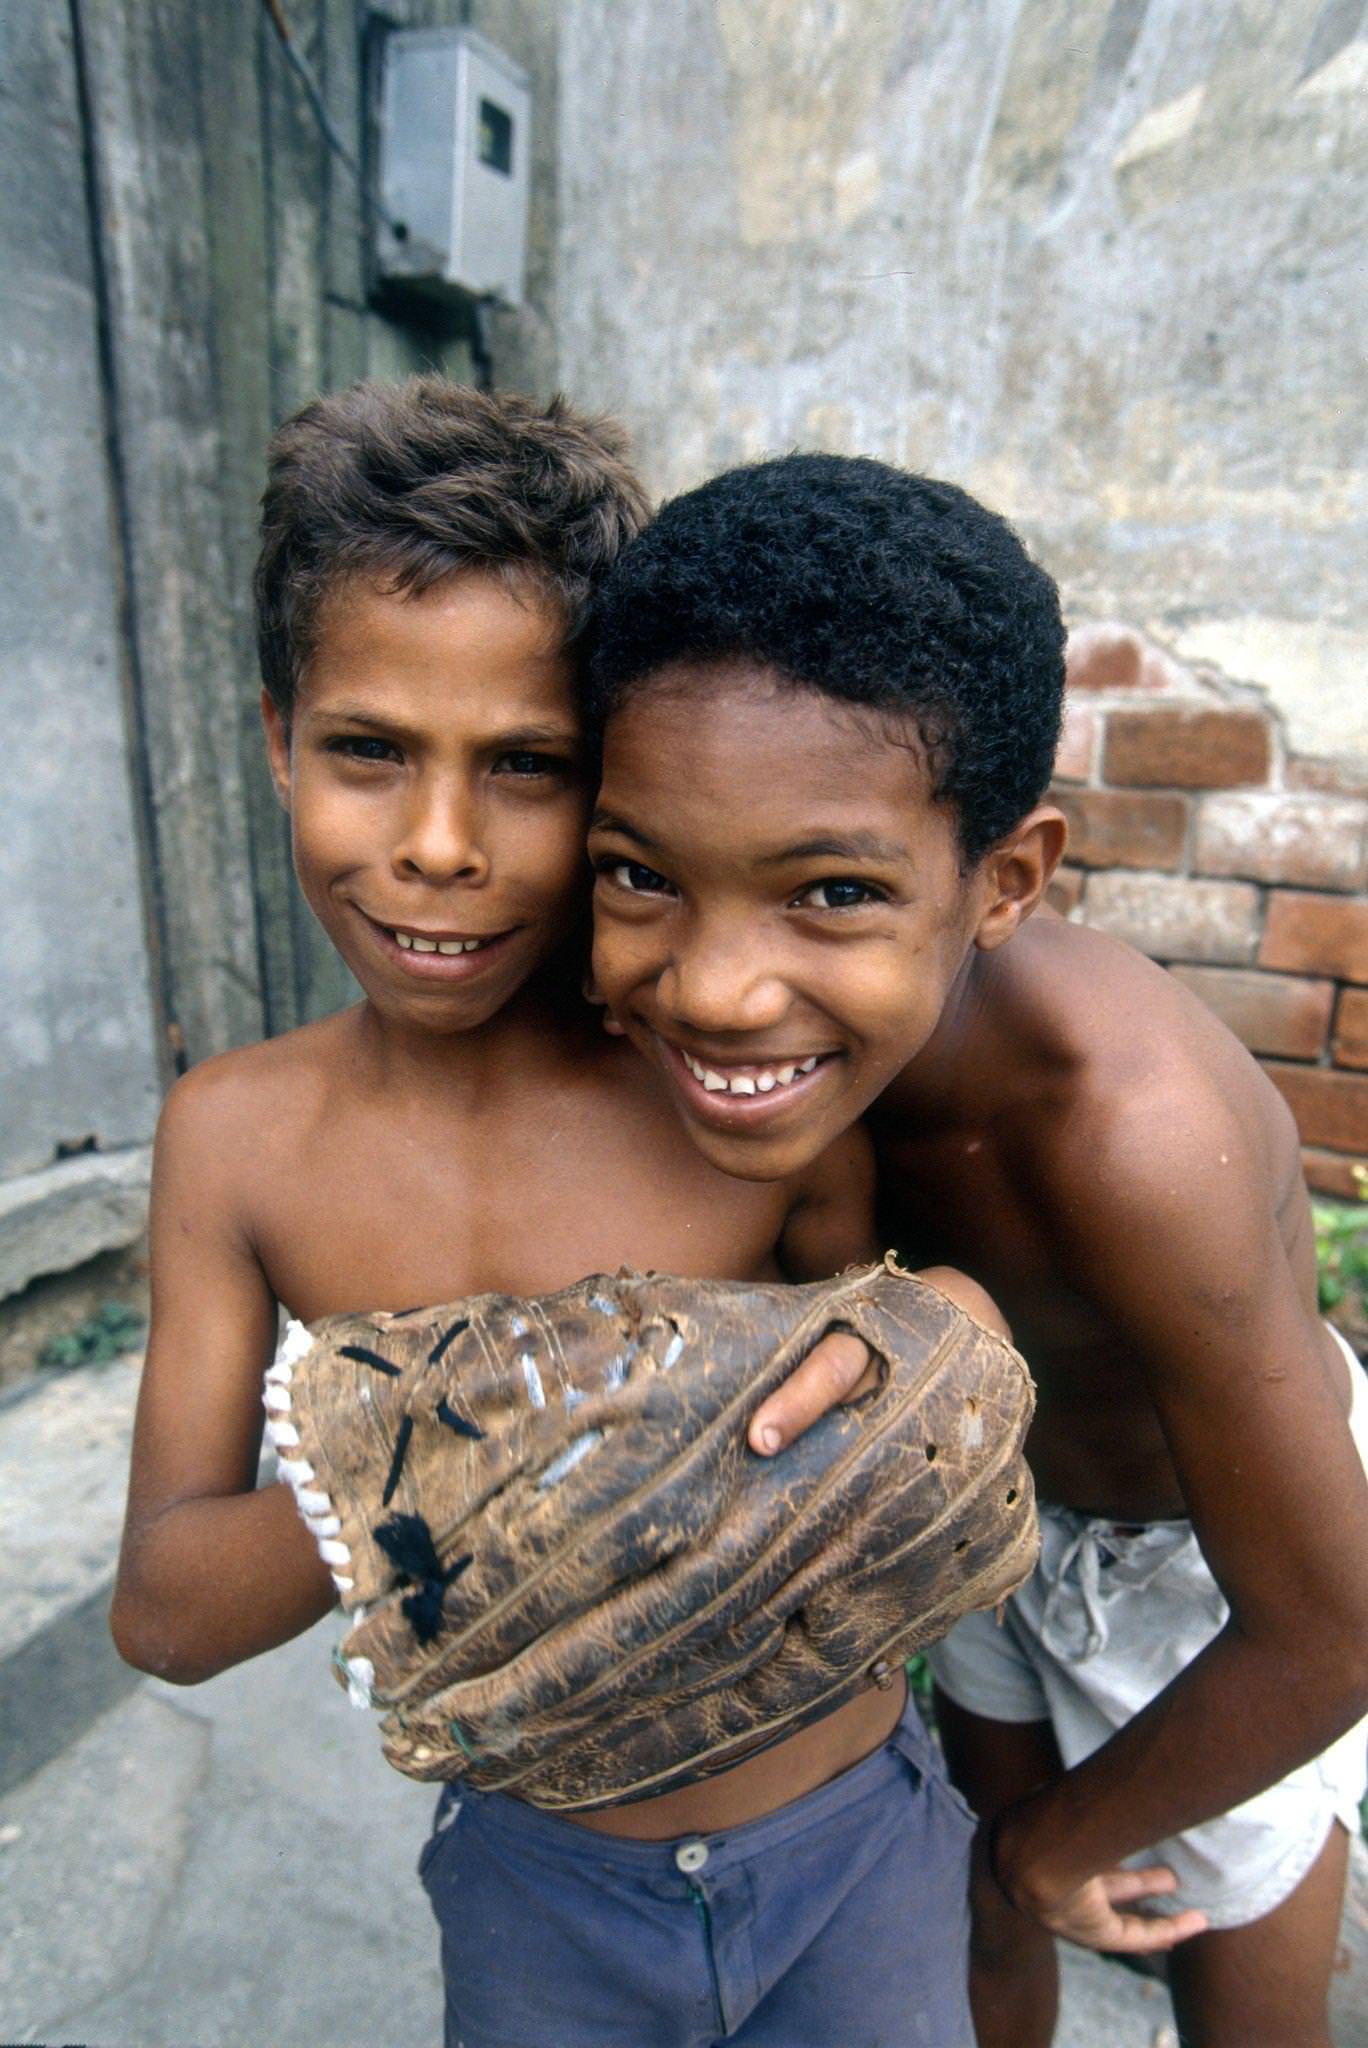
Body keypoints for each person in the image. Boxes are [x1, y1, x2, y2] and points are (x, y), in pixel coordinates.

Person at [111, 383, 991, 2048]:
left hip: (852, 1829)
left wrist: (947, 1320)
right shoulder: (239, 1142)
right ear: (279, 737)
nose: (439, 848)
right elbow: (161, 1608)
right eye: (370, 751)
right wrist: (443, 1461)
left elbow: (900, 1337)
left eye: (527, 768)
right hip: (541, 1879)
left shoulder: (728, 1078)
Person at [583, 450, 1368, 2048]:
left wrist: (1051, 1851)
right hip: (996, 1505)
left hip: (1220, 1573)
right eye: (642, 872)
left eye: (838, 892)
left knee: (1191, 1938)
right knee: (975, 1908)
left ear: (1005, 879)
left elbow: (1333, 1626)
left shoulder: (1125, 1138)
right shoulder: (747, 1055)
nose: (718, 987)